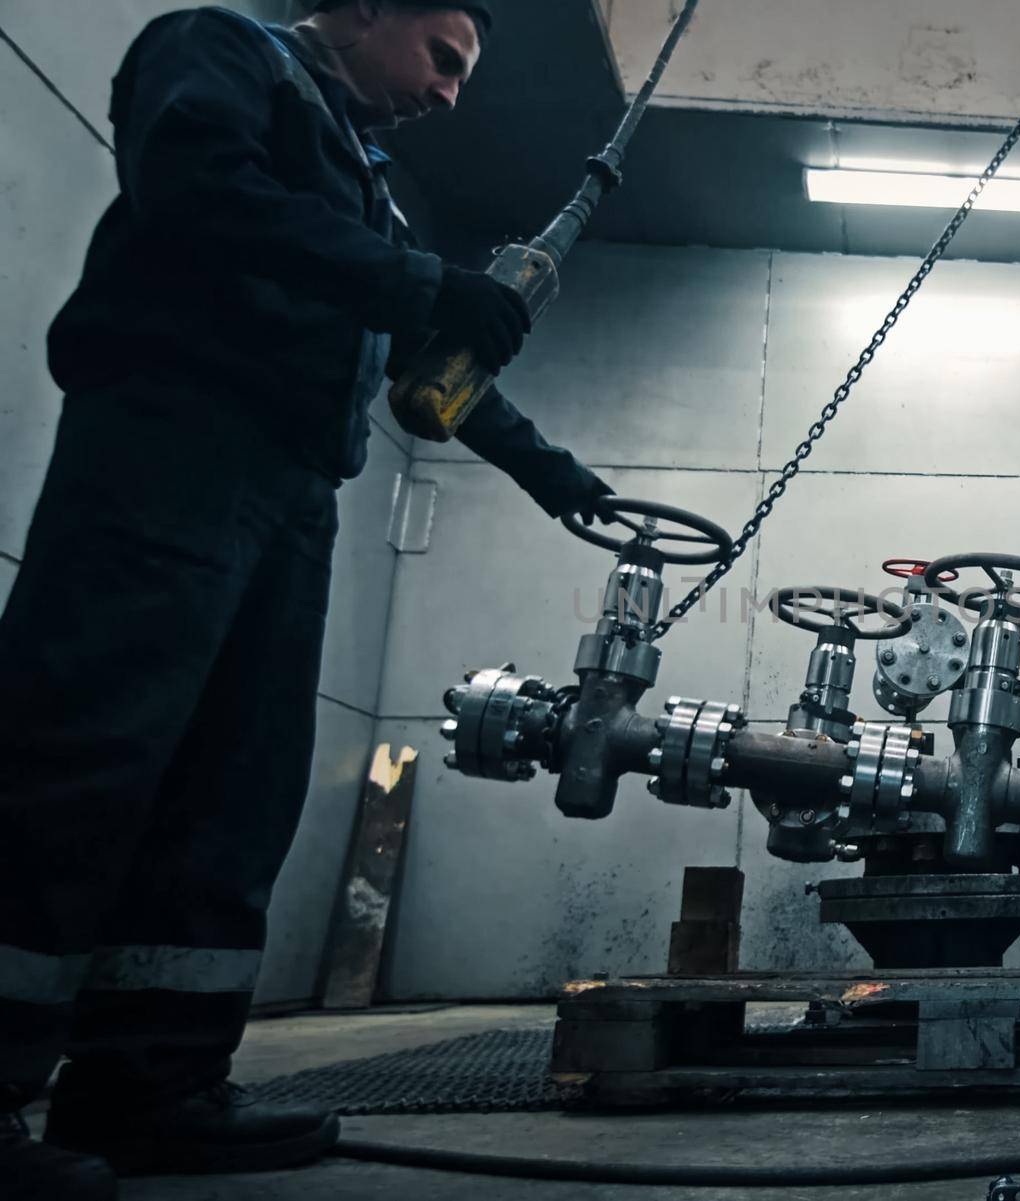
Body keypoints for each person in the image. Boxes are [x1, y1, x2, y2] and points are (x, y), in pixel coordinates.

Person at [0, 2, 610, 1195]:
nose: (447, 96)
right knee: (84, 754)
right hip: (171, 448)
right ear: (368, 11)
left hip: (288, 490)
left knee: (233, 785)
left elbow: (411, 365)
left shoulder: (365, 182)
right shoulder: (224, 54)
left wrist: (548, 469)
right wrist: (423, 277)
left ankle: (150, 1089)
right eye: (442, 60)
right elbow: (200, 195)